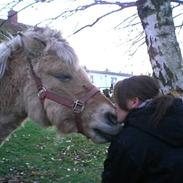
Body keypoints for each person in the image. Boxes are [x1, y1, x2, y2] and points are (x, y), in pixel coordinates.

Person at [102, 75, 183, 183]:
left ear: (134, 102)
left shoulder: (128, 141)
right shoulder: (176, 123)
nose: (114, 106)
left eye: (116, 101)